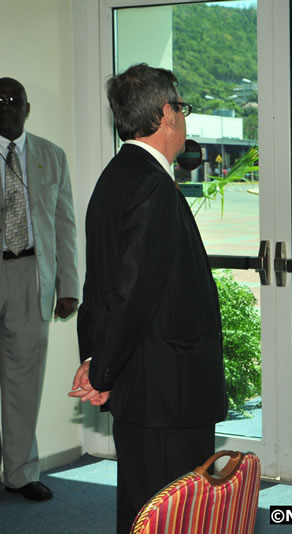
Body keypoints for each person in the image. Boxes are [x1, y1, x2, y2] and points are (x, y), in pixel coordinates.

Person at [69, 64, 228, 533]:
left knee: (144, 509)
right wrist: (102, 370)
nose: (185, 118)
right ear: (166, 114)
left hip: (145, 385)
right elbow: (129, 291)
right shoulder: (152, 186)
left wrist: (99, 361)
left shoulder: (116, 176)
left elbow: (101, 287)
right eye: (183, 108)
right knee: (171, 514)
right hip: (167, 393)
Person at [0, 77, 79, 502]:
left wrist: (68, 285)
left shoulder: (52, 155)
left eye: (14, 100)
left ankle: (20, 472)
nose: (6, 106)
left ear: (27, 108)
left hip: (33, 277)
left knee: (24, 381)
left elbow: (65, 225)